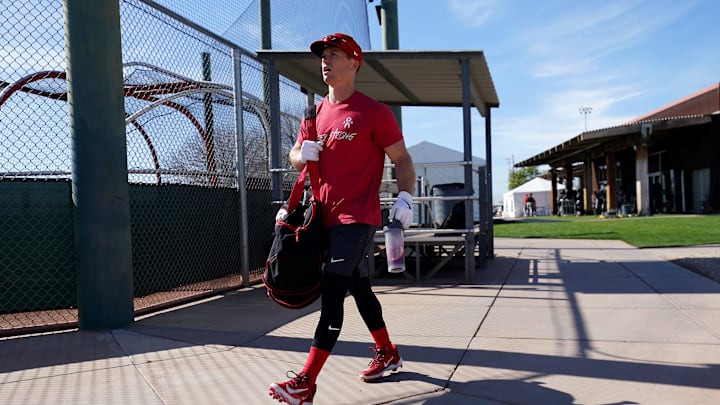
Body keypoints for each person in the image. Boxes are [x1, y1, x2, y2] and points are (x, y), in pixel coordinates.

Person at [268, 33, 416, 405]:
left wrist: (406, 197)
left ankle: (306, 382)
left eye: (334, 55)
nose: (325, 61)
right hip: (321, 218)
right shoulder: (313, 114)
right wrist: (302, 155)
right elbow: (295, 157)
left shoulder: (374, 112)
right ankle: (388, 352)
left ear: (354, 63)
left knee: (333, 294)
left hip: (356, 217)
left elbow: (402, 158)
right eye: (323, 56)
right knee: (359, 289)